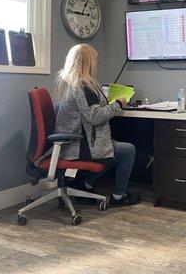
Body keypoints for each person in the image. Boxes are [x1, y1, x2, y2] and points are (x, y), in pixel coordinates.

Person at [54, 44, 140, 207]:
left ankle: (86, 184)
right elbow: (95, 117)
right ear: (89, 63)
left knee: (114, 147)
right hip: (79, 146)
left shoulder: (68, 83)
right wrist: (118, 104)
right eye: (96, 61)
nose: (97, 65)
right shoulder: (85, 86)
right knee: (128, 151)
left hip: (67, 144)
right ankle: (118, 197)